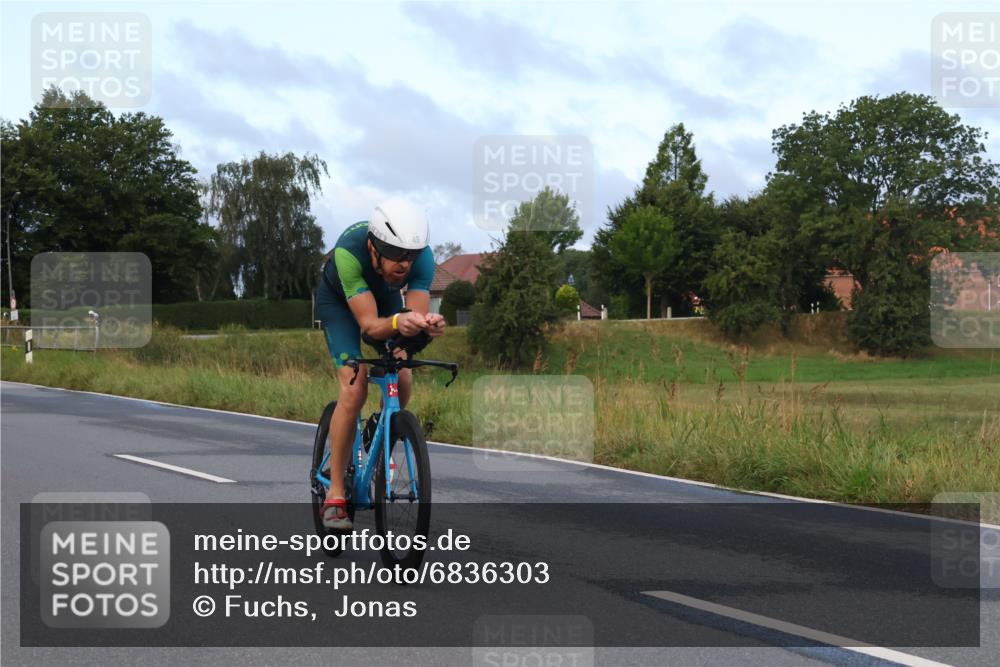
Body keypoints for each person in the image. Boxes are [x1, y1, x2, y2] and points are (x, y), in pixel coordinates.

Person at [316, 198, 445, 529]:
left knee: (402, 378)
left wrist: (425, 325)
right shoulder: (348, 253)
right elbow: (370, 326)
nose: (405, 264)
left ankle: (378, 435)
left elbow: (410, 318)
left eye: (411, 256)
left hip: (383, 299)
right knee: (354, 388)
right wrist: (397, 324)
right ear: (374, 247)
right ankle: (336, 495)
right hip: (342, 306)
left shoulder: (422, 259)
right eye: (396, 255)